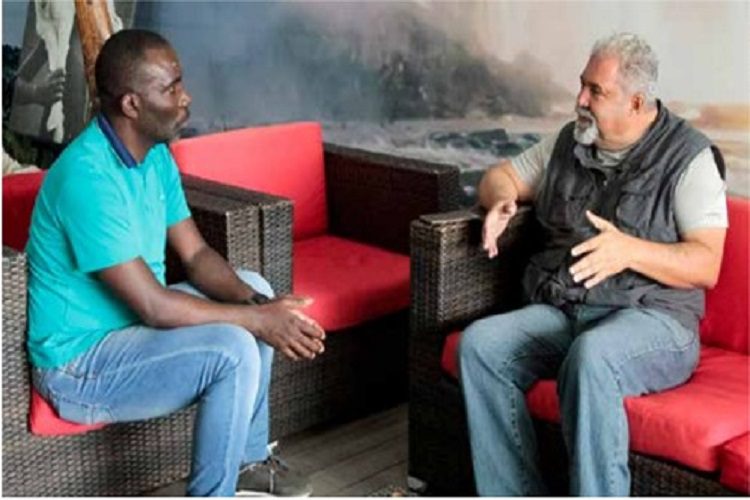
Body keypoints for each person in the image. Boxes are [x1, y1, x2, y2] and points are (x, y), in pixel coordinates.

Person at [26, 29, 324, 497]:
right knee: (234, 345)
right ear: (131, 104)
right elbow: (153, 306)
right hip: (79, 365)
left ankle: (247, 465)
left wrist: (262, 306)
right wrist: (258, 320)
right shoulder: (87, 177)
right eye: (171, 88)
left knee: (254, 287)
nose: (186, 98)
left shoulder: (153, 157)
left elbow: (197, 256)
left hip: (132, 332)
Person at [459, 32, 727, 496]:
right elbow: (500, 176)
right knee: (481, 345)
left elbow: (707, 264)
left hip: (654, 320)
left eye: (595, 91)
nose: (580, 99)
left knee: (594, 357)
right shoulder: (570, 140)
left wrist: (631, 250)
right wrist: (502, 201)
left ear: (636, 101)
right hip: (567, 311)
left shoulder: (690, 158)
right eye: (582, 84)